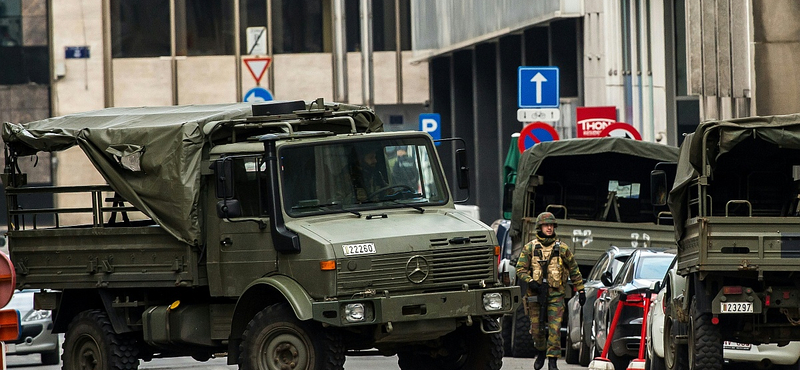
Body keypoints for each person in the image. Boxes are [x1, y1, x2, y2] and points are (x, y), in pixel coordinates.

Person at [516, 212, 586, 370]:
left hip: (556, 295)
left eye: (551, 225)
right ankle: (540, 351)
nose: (549, 228)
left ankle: (552, 361)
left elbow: (574, 269)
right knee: (536, 329)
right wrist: (531, 282)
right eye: (546, 225)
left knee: (554, 329)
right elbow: (520, 269)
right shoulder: (530, 248)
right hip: (535, 295)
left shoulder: (562, 248)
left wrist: (581, 290)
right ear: (539, 227)